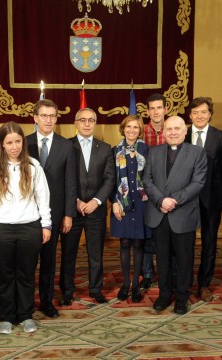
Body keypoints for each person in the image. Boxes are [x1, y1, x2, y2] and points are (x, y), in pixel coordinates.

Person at [0, 122, 51, 335]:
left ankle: (25, 314)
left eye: (18, 142)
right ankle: (6, 316)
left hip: (29, 228)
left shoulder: (33, 166)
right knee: (4, 274)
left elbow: (43, 196)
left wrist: (46, 224)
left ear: (23, 142)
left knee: (26, 273)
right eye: (9, 142)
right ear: (2, 145)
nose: (14, 147)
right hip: (1, 228)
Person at [143, 116, 207, 314]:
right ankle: (164, 294)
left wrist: (173, 200)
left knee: (184, 258)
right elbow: (147, 179)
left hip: (183, 213)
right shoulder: (153, 152)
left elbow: (198, 183)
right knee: (162, 258)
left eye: (177, 129)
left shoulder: (197, 152)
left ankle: (181, 297)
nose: (172, 132)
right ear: (163, 131)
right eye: (168, 129)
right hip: (159, 213)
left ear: (185, 130)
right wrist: (161, 200)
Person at [59, 108, 115, 304]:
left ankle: (95, 289)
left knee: (96, 252)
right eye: (82, 120)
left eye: (91, 120)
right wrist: (76, 201)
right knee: (68, 253)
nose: (87, 123)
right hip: (71, 210)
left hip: (95, 210)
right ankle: (67, 292)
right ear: (75, 123)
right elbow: (62, 178)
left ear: (95, 123)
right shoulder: (65, 146)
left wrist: (95, 201)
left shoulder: (106, 148)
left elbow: (109, 179)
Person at [27, 99, 77, 315]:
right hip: (26, 213)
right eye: (44, 115)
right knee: (27, 261)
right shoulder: (23, 143)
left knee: (48, 260)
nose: (48, 120)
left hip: (55, 213)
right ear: (35, 118)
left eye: (52, 116)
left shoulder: (66, 145)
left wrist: (68, 214)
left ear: (57, 118)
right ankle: (25, 303)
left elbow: (70, 182)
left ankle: (46, 302)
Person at [186, 97, 222, 302]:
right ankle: (184, 283)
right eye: (195, 112)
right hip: (185, 200)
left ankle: (204, 283)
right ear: (190, 115)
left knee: (209, 243)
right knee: (184, 243)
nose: (199, 116)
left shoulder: (221, 138)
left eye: (203, 112)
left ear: (210, 114)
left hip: (211, 200)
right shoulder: (181, 134)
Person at [110, 114, 150, 303]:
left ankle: (136, 285)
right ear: (123, 128)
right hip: (122, 203)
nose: (132, 130)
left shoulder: (146, 150)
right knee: (125, 243)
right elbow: (111, 181)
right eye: (128, 127)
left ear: (140, 130)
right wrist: (114, 202)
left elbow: (150, 177)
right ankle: (126, 283)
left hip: (142, 203)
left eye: (135, 127)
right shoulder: (114, 151)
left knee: (138, 244)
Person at [141, 93, 168, 289]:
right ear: (148, 111)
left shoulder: (174, 129)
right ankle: (148, 274)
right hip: (146, 190)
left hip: (170, 190)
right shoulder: (141, 132)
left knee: (168, 234)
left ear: (165, 109)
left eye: (159, 107)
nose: (156, 111)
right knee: (147, 233)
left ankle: (168, 272)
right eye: (152, 108)